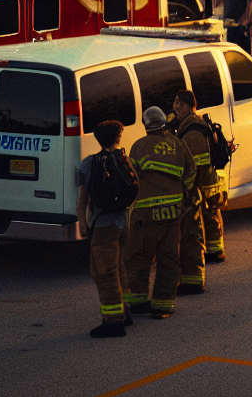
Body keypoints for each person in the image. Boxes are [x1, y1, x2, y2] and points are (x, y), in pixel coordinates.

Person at [125, 106, 196, 319]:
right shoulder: (177, 144)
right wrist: (185, 197)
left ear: (146, 124)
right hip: (172, 213)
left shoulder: (139, 146)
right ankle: (163, 305)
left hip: (145, 214)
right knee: (168, 258)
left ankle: (137, 302)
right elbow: (190, 174)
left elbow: (130, 179)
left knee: (139, 257)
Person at [75, 120, 134, 338]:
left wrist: (82, 221)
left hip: (102, 226)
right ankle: (125, 313)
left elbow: (82, 199)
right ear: (118, 138)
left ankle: (112, 322)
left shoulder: (89, 163)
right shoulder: (123, 159)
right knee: (121, 270)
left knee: (105, 273)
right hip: (123, 224)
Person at [173, 88, 225, 280]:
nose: (175, 107)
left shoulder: (192, 130)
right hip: (209, 179)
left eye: (177, 103)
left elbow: (192, 165)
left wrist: (186, 189)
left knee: (193, 221)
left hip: (200, 180)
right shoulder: (197, 123)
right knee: (211, 212)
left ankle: (197, 271)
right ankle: (215, 249)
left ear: (186, 106)